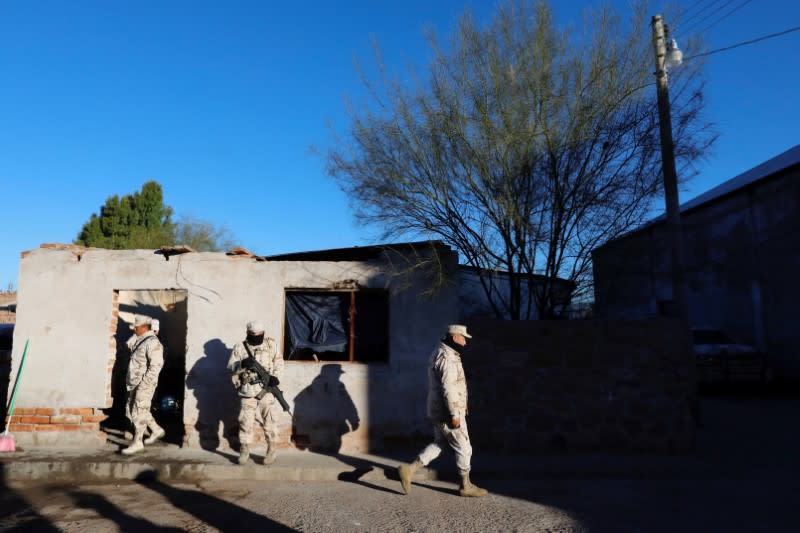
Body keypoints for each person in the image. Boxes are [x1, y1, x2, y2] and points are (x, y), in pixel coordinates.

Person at [397, 324, 488, 497]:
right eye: (464, 338)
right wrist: (454, 414)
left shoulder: (439, 352)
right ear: (455, 337)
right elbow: (448, 388)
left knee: (440, 443)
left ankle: (409, 469)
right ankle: (465, 486)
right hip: (448, 411)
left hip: (438, 409)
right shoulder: (447, 358)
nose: (465, 343)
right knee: (464, 447)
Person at [228, 320, 284, 465]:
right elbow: (230, 367)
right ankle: (244, 450)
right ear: (247, 333)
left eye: (259, 335)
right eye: (253, 335)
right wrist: (241, 364)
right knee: (245, 422)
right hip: (247, 391)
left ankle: (272, 450)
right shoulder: (240, 347)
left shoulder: (271, 345)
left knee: (270, 421)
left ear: (263, 333)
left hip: (267, 391)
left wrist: (275, 378)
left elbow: (279, 363)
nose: (256, 337)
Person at [122, 315, 166, 455]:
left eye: (136, 327)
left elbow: (156, 365)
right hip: (134, 382)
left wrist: (145, 384)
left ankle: (137, 442)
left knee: (138, 411)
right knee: (136, 409)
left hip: (144, 383)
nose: (134, 329)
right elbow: (127, 346)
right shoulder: (140, 339)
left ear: (144, 327)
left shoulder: (153, 343)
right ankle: (157, 430)